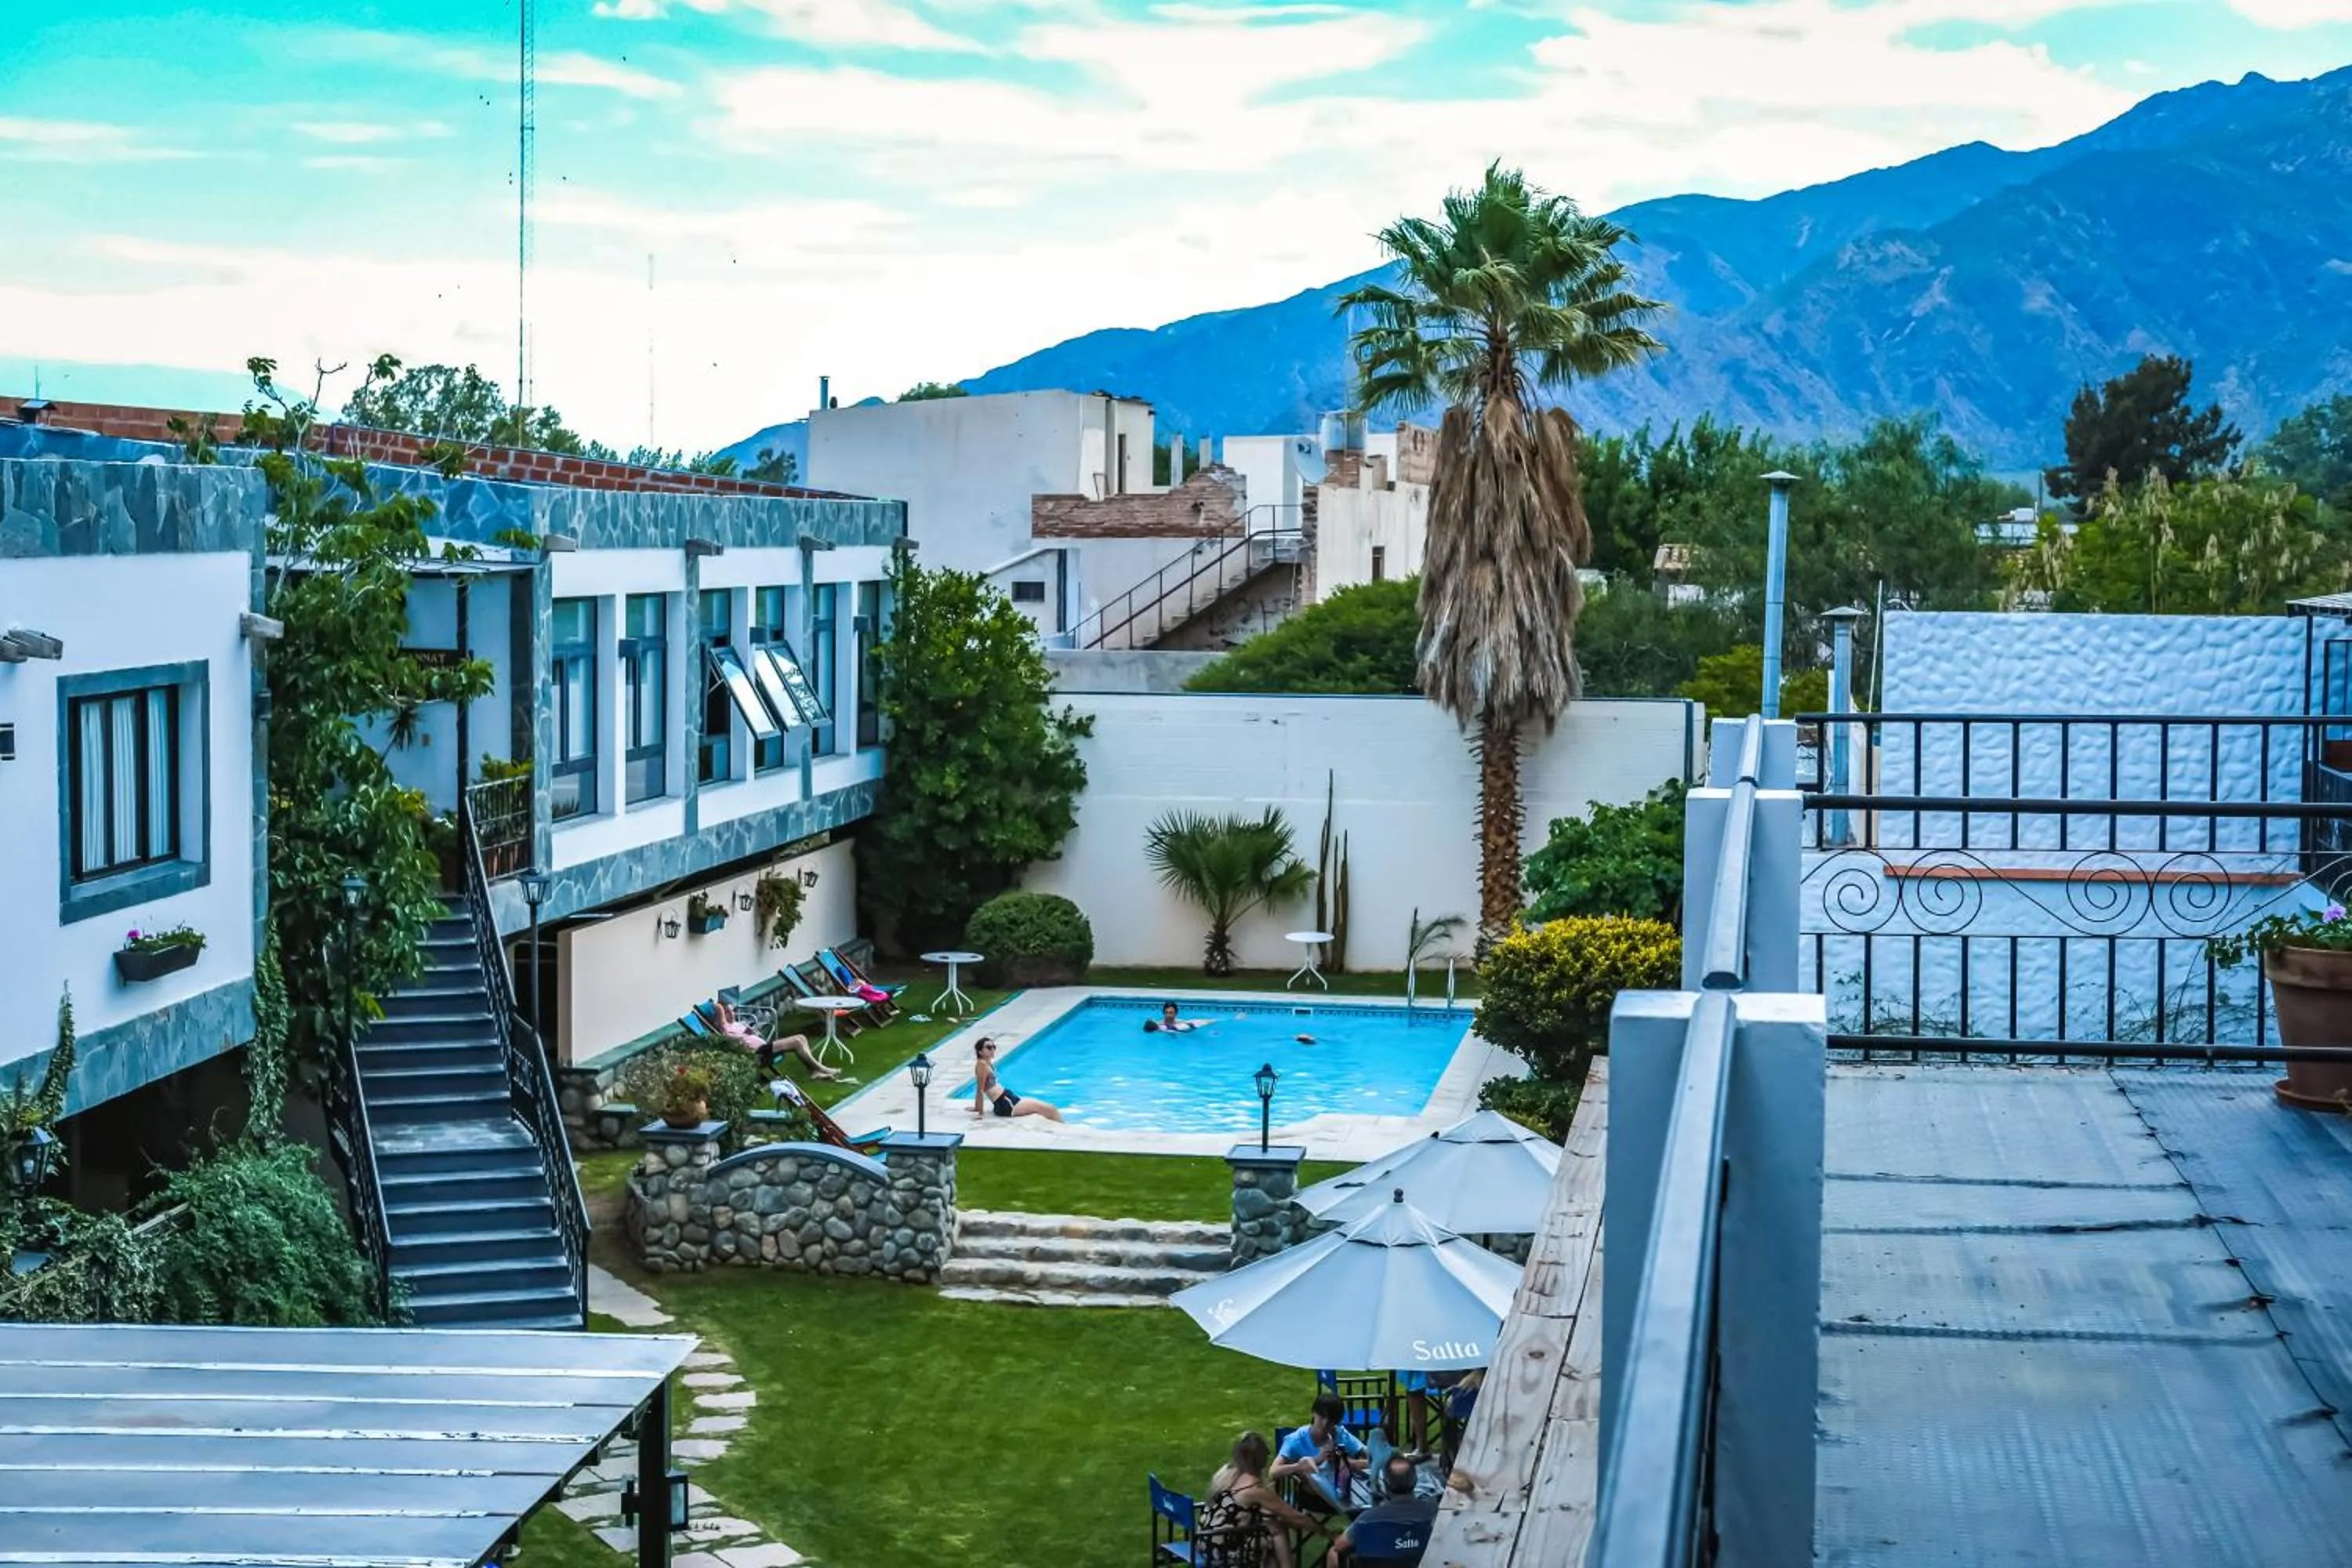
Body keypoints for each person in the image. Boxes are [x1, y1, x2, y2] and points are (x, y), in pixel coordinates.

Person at [1205, 1430, 1327, 1568]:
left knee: (1271, 1537)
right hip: (1222, 1550)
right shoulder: (1254, 1488)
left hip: (1206, 1539)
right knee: (1276, 1528)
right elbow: (1295, 1517)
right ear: (1258, 1459)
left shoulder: (1226, 1474)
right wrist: (1327, 1533)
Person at [1272, 1392, 1368, 1512]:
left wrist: (1344, 1462)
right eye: (1322, 1417)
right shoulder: (1296, 1440)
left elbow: (1373, 1458)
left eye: (1331, 1421)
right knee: (1309, 1470)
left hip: (1345, 1491)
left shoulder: (1340, 1435)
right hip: (1313, 1498)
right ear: (1313, 1413)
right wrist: (1299, 1466)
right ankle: (1351, 1514)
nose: (1325, 1424)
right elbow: (1273, 1472)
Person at [1332, 1455, 1437, 1563]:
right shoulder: (1436, 1516)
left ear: (1385, 1485)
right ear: (1415, 1482)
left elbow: (1339, 1546)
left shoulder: (1366, 1520)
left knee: (1333, 1553)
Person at [710, 996, 838, 1080]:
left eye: (732, 1011)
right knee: (796, 1042)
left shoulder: (736, 1024)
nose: (732, 1014)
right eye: (728, 1012)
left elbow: (744, 1029)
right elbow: (718, 1010)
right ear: (722, 1016)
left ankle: (814, 1071)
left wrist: (751, 1031)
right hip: (758, 1053)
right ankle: (819, 1068)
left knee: (801, 1037)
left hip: (765, 1047)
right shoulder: (725, 1029)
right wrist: (718, 1006)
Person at [971, 1036, 1063, 1121]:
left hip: (1007, 1099)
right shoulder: (982, 1065)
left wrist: (976, 1107)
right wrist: (980, 1113)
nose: (992, 1050)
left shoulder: (987, 1062)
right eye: (988, 1048)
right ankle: (1063, 1128)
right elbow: (980, 1089)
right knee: (1051, 1109)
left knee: (1048, 1108)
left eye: (994, 1047)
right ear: (980, 1051)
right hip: (1005, 1104)